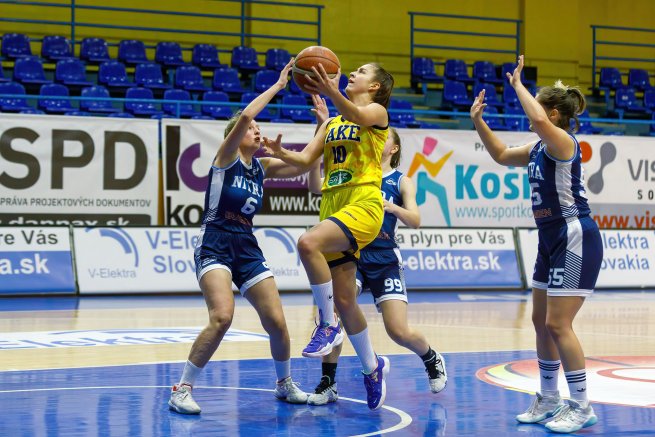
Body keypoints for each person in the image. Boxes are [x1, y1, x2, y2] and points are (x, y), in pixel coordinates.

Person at [168, 59, 310, 414]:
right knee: (222, 317)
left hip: (246, 244)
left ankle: (284, 384)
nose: (258, 132)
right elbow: (245, 117)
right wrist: (279, 86)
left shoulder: (262, 168)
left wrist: (324, 122)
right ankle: (182, 388)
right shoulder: (226, 156)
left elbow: (306, 164)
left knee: (277, 322)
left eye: (260, 130)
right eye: (254, 130)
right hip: (215, 239)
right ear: (237, 135)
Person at [470, 55, 602, 434]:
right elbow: (498, 155)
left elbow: (540, 121)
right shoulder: (535, 149)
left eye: (538, 111)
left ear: (556, 115)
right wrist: (479, 121)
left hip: (574, 236)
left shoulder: (563, 142)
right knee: (540, 324)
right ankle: (548, 398)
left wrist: (517, 86)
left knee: (559, 324)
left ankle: (581, 405)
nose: (532, 117)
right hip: (549, 240)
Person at [263, 62, 394, 410]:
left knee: (308, 242)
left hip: (364, 204)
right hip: (334, 208)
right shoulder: (333, 123)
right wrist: (280, 153)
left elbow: (354, 112)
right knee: (347, 301)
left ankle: (326, 325)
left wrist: (331, 91)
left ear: (376, 86)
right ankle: (372, 366)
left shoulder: (377, 112)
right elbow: (306, 161)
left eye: (362, 71)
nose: (353, 72)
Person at [305, 98, 448, 406]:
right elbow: (315, 187)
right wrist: (319, 136)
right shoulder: (355, 172)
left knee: (398, 330)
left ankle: (431, 357)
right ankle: (328, 382)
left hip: (384, 258)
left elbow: (416, 221)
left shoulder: (401, 180)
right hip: (353, 251)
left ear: (391, 146)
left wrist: (390, 205)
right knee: (332, 315)